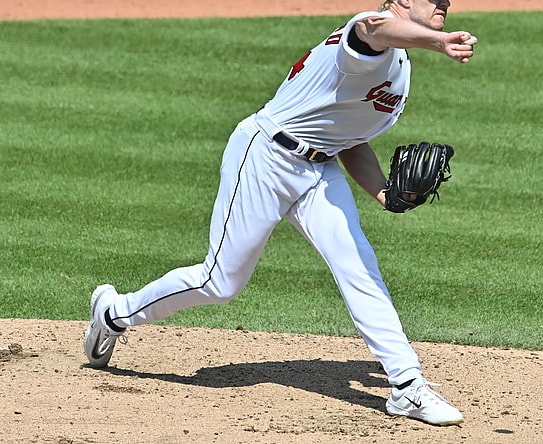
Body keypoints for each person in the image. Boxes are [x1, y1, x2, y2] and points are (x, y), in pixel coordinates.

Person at [83, 0, 477, 426]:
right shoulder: (364, 33)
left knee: (359, 266)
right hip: (266, 156)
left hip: (319, 170)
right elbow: (377, 30)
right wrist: (440, 42)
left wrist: (385, 193)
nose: (444, 3)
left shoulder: (399, 67)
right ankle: (113, 313)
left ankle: (407, 386)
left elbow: (349, 138)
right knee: (220, 283)